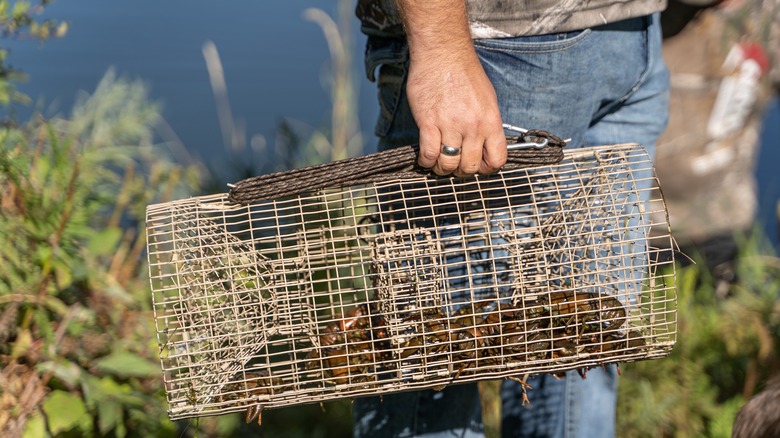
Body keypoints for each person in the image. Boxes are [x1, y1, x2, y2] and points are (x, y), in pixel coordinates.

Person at [353, 1, 671, 437]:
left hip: (630, 34)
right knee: (429, 358)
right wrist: (442, 49)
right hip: (493, 48)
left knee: (586, 342)